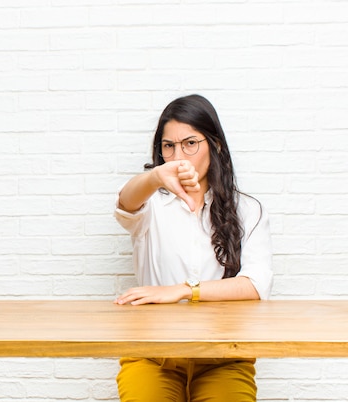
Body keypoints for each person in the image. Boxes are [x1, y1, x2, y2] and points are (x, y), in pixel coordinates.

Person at [113, 94, 273, 402]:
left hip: (224, 356)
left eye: (190, 143)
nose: (179, 156)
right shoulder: (152, 204)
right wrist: (155, 177)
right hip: (152, 354)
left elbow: (255, 284)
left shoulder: (247, 210)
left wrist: (185, 290)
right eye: (168, 146)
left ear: (215, 145)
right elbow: (125, 202)